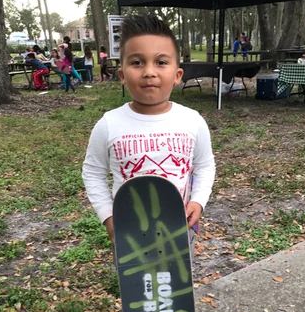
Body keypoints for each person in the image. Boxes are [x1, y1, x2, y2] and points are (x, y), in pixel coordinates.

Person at [82, 13, 215, 253]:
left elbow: (204, 165)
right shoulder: (109, 124)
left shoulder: (192, 121)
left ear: (177, 75)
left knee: (177, 287)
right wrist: (109, 218)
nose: (149, 72)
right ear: (122, 75)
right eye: (137, 62)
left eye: (161, 62)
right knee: (137, 288)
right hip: (130, 235)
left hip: (179, 232)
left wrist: (198, 201)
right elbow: (93, 172)